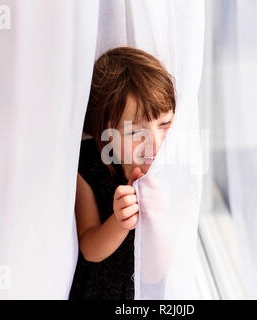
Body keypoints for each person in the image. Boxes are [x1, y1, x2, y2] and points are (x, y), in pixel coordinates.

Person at [69, 46, 175, 300]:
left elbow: (155, 273)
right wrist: (119, 223)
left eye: (164, 124)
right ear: (107, 135)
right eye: (135, 132)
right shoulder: (89, 166)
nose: (155, 144)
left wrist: (157, 220)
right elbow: (89, 249)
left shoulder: (172, 173)